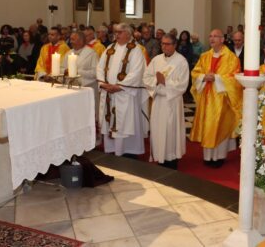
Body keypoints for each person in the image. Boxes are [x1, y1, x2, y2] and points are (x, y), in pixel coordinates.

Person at [189, 29, 242, 168]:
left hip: (222, 98)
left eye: (215, 36)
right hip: (207, 97)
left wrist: (217, 78)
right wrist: (203, 77)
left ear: (222, 39)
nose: (212, 39)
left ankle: (219, 156)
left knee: (219, 126)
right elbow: (195, 72)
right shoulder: (204, 56)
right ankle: (208, 156)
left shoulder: (231, 58)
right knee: (208, 126)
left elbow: (235, 78)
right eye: (210, 36)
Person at [97, 23, 149, 157]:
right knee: (111, 122)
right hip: (109, 93)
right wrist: (103, 83)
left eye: (119, 32)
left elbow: (137, 72)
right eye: (115, 32)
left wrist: (119, 86)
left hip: (125, 94)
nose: (116, 35)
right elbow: (100, 67)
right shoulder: (109, 48)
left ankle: (128, 152)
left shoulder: (136, 50)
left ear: (128, 34)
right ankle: (111, 150)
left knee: (125, 123)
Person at [144, 34, 189, 169]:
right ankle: (159, 157)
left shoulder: (181, 61)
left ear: (175, 45)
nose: (164, 46)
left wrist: (165, 82)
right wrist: (156, 82)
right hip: (158, 101)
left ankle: (171, 159)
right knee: (158, 129)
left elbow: (183, 84)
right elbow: (146, 77)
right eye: (162, 43)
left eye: (167, 44)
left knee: (171, 131)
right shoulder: (156, 60)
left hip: (172, 102)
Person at [61, 31, 98, 108]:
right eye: (70, 39)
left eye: (73, 39)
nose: (70, 42)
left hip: (86, 89)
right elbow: (61, 68)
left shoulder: (92, 54)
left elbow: (95, 73)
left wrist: (77, 72)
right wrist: (65, 71)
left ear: (81, 41)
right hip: (70, 89)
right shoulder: (68, 53)